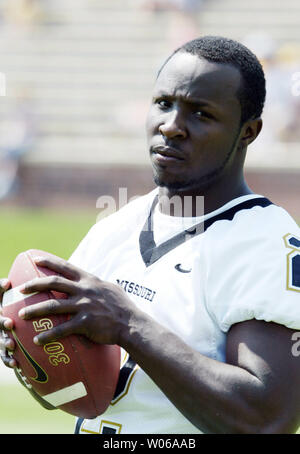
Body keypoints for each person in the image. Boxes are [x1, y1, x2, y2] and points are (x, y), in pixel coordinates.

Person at [1, 36, 300, 434]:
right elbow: (82, 397)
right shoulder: (116, 226)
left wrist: (129, 323)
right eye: (164, 104)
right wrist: (32, 351)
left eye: (201, 114)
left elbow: (267, 420)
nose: (171, 126)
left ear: (248, 131)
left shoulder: (266, 243)